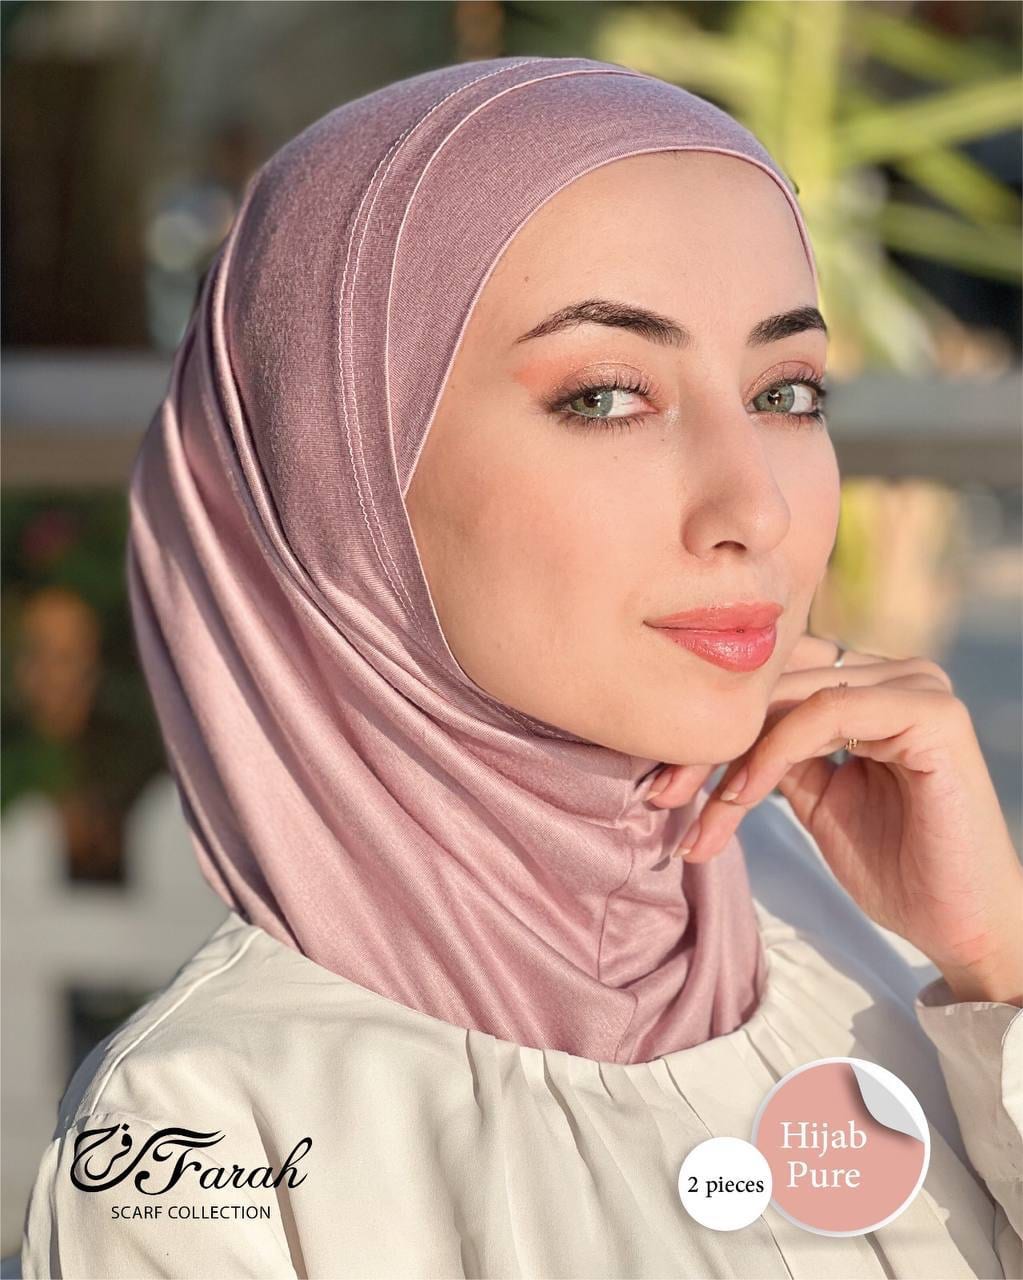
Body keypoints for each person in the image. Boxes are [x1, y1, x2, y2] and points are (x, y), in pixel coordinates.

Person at [19, 55, 1022, 1279]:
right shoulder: (203, 1136)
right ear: (339, 477)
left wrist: (999, 961)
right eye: (605, 397)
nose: (756, 505)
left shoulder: (841, 925)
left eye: (788, 391)